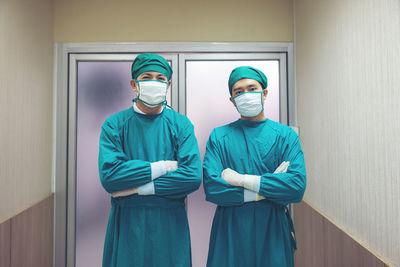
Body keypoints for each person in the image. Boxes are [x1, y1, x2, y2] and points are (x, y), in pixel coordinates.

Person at [98, 53, 202, 267]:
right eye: (146, 77)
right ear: (134, 84)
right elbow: (111, 177)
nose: (154, 82)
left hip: (170, 227)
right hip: (128, 226)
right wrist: (164, 167)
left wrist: (136, 189)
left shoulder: (180, 125)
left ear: (168, 84)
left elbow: (192, 176)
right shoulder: (114, 125)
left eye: (160, 78)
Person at [203, 66, 306, 267]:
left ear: (264, 93)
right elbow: (213, 189)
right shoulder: (219, 137)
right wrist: (270, 188)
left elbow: (296, 187)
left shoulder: (285, 136)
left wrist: (240, 180)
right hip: (230, 231)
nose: (246, 95)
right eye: (238, 92)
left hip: (273, 230)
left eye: (252, 88)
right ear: (232, 100)